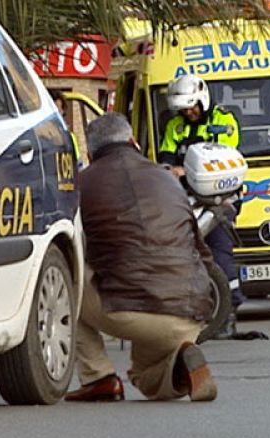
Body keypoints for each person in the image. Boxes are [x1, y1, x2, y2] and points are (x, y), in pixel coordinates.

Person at [65, 112, 217, 403]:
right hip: (190, 310)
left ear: (89, 152)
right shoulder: (167, 178)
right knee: (145, 376)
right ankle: (183, 355)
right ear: (133, 141)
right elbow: (203, 252)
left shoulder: (81, 185)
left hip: (129, 309)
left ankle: (99, 377)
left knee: (61, 277)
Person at [158, 74, 248, 340]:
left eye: (192, 106)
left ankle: (230, 310)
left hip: (222, 197)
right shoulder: (175, 125)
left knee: (219, 250)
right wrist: (167, 169)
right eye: (184, 109)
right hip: (186, 198)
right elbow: (165, 157)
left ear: (202, 98)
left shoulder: (224, 120)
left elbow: (223, 158)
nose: (189, 112)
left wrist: (181, 171)